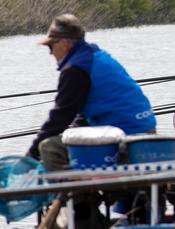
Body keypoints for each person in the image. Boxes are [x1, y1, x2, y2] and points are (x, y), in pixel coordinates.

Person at [28, 14, 155, 171]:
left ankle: (67, 194)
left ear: (65, 43)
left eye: (50, 46)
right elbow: (80, 115)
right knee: (67, 138)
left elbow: (59, 118)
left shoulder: (75, 69)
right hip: (146, 130)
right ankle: (83, 194)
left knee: (49, 147)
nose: (50, 53)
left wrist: (30, 155)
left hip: (127, 138)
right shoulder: (96, 56)